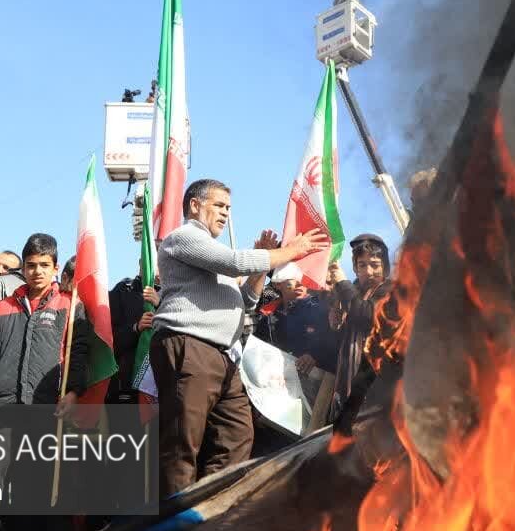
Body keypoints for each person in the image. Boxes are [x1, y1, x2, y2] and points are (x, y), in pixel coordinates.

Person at [148, 179, 328, 499]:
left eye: (228, 208)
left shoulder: (214, 257)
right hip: (190, 346)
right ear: (194, 205)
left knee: (237, 436)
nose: (225, 214)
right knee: (182, 443)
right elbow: (236, 262)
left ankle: (204, 506)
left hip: (222, 356)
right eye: (218, 205)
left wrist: (261, 264)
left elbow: (246, 301)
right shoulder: (184, 237)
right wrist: (287, 251)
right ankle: (172, 524)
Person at [0, 233, 87, 531]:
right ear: (23, 269)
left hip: (45, 403)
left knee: (37, 474)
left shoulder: (70, 305)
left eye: (44, 266)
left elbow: (80, 353)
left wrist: (73, 390)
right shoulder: (3, 305)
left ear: (56, 268)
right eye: (31, 266)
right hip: (4, 403)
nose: (37, 272)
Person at [255, 262, 338, 414]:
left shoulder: (323, 311)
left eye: (304, 275)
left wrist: (315, 355)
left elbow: (336, 344)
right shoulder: (266, 316)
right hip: (271, 393)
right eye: (293, 276)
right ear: (278, 283)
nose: (300, 281)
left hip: (311, 398)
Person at [328, 235, 394, 419]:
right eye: (362, 265)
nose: (368, 271)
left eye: (374, 264)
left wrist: (342, 283)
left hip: (376, 389)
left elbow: (367, 315)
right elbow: (343, 346)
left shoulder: (391, 290)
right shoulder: (353, 292)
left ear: (385, 267)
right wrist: (336, 323)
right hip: (348, 385)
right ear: (355, 268)